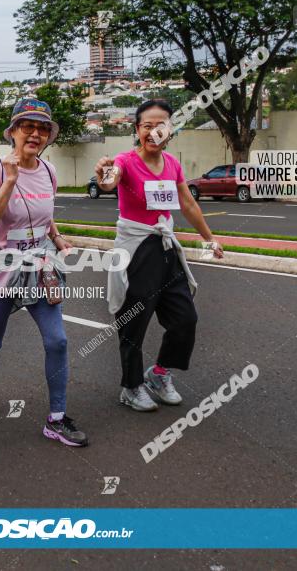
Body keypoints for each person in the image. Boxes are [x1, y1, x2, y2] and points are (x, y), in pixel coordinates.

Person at [0, 98, 87, 447]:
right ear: (13, 131)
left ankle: (57, 419)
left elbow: (45, 217)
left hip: (40, 264)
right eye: (28, 126)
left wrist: (58, 238)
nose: (35, 133)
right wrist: (11, 179)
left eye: (43, 128)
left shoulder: (49, 171)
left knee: (57, 340)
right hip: (1, 265)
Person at [94, 99, 224, 412]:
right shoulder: (126, 160)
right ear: (137, 130)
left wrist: (209, 239)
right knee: (134, 322)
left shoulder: (172, 165)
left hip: (165, 248)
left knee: (185, 319)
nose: (154, 131)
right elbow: (111, 180)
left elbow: (189, 205)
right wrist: (105, 178)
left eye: (161, 125)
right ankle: (131, 386)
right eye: (147, 125)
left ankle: (160, 374)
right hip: (137, 250)